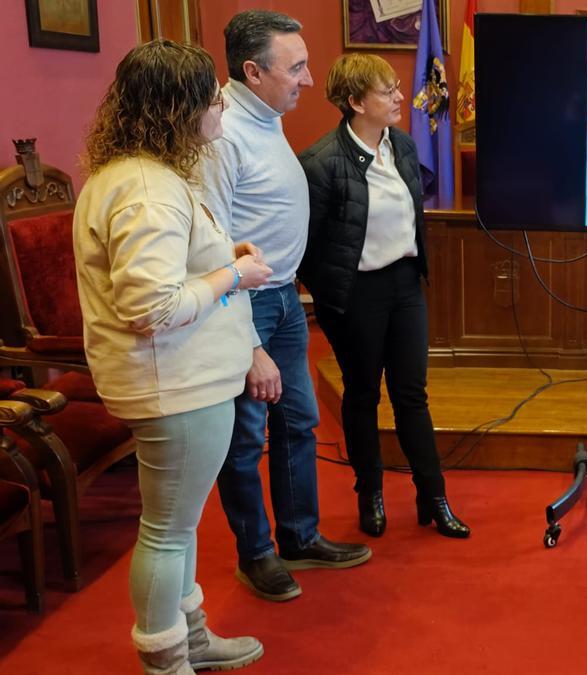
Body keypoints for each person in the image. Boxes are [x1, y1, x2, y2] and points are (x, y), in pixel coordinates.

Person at [74, 40, 273, 673]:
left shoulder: (140, 174)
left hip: (181, 380)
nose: (220, 104)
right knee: (165, 531)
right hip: (173, 384)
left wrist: (219, 260)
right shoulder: (148, 189)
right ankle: (167, 661)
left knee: (177, 526)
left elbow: (162, 271)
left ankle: (190, 639)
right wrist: (233, 277)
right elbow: (150, 308)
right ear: (178, 107)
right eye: (210, 95)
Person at [198, 9, 371, 603]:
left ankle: (300, 537)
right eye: (295, 66)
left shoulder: (264, 117)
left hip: (284, 300)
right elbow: (212, 247)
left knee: (298, 421)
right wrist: (247, 343)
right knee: (246, 438)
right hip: (241, 307)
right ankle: (258, 554)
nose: (308, 77)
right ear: (252, 70)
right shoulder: (220, 134)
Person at [297, 54, 470, 538]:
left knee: (412, 394)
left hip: (405, 286)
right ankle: (369, 492)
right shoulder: (320, 164)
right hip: (356, 295)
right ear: (354, 102)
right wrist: (332, 304)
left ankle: (433, 496)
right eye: (386, 91)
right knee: (362, 395)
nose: (400, 97)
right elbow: (305, 247)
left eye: (397, 87)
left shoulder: (405, 146)